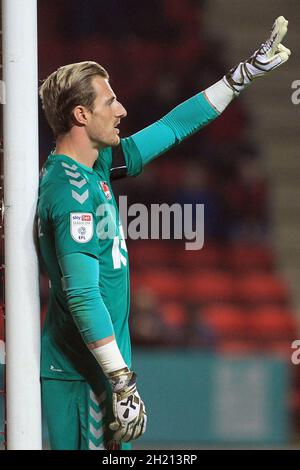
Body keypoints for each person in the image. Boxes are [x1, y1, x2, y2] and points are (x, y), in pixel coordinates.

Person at [38, 17, 290, 450]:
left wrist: (240, 77)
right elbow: (82, 295)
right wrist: (120, 381)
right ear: (81, 114)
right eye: (109, 101)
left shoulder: (95, 165)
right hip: (84, 377)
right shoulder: (70, 193)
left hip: (101, 373)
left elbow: (172, 127)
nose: (122, 110)